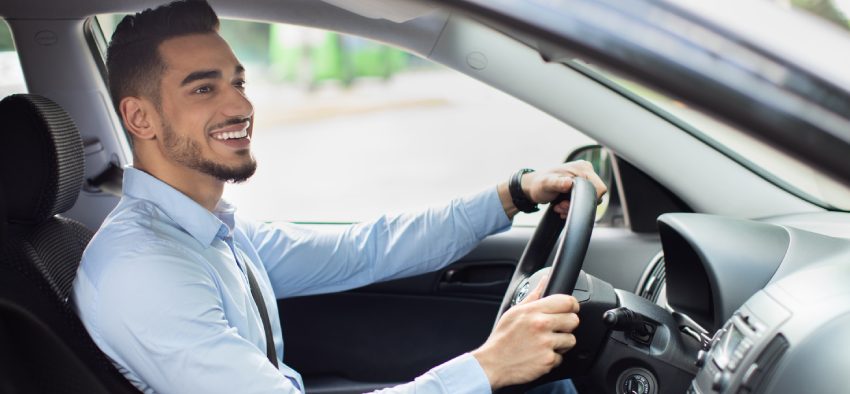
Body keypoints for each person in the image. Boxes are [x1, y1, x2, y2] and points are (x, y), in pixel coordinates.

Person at [71, 1, 608, 393]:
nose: (240, 106)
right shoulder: (144, 269)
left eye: (239, 82)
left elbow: (365, 248)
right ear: (140, 117)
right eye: (204, 88)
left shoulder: (208, 231)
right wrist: (487, 367)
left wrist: (512, 194)